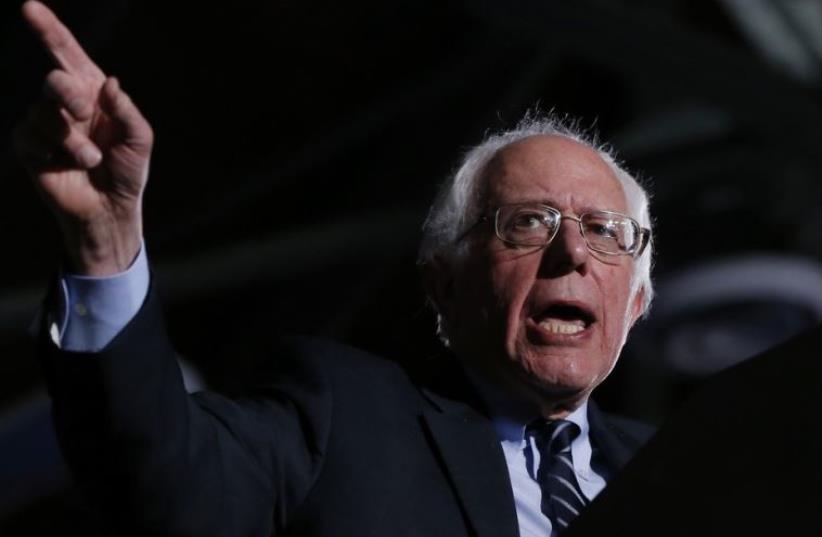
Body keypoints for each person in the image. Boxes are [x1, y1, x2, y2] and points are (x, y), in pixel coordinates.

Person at [14, 2, 655, 536]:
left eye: (605, 232)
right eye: (529, 223)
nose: (572, 252)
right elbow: (159, 481)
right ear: (446, 283)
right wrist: (105, 239)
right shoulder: (343, 417)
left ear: (637, 303)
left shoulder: (688, 464)